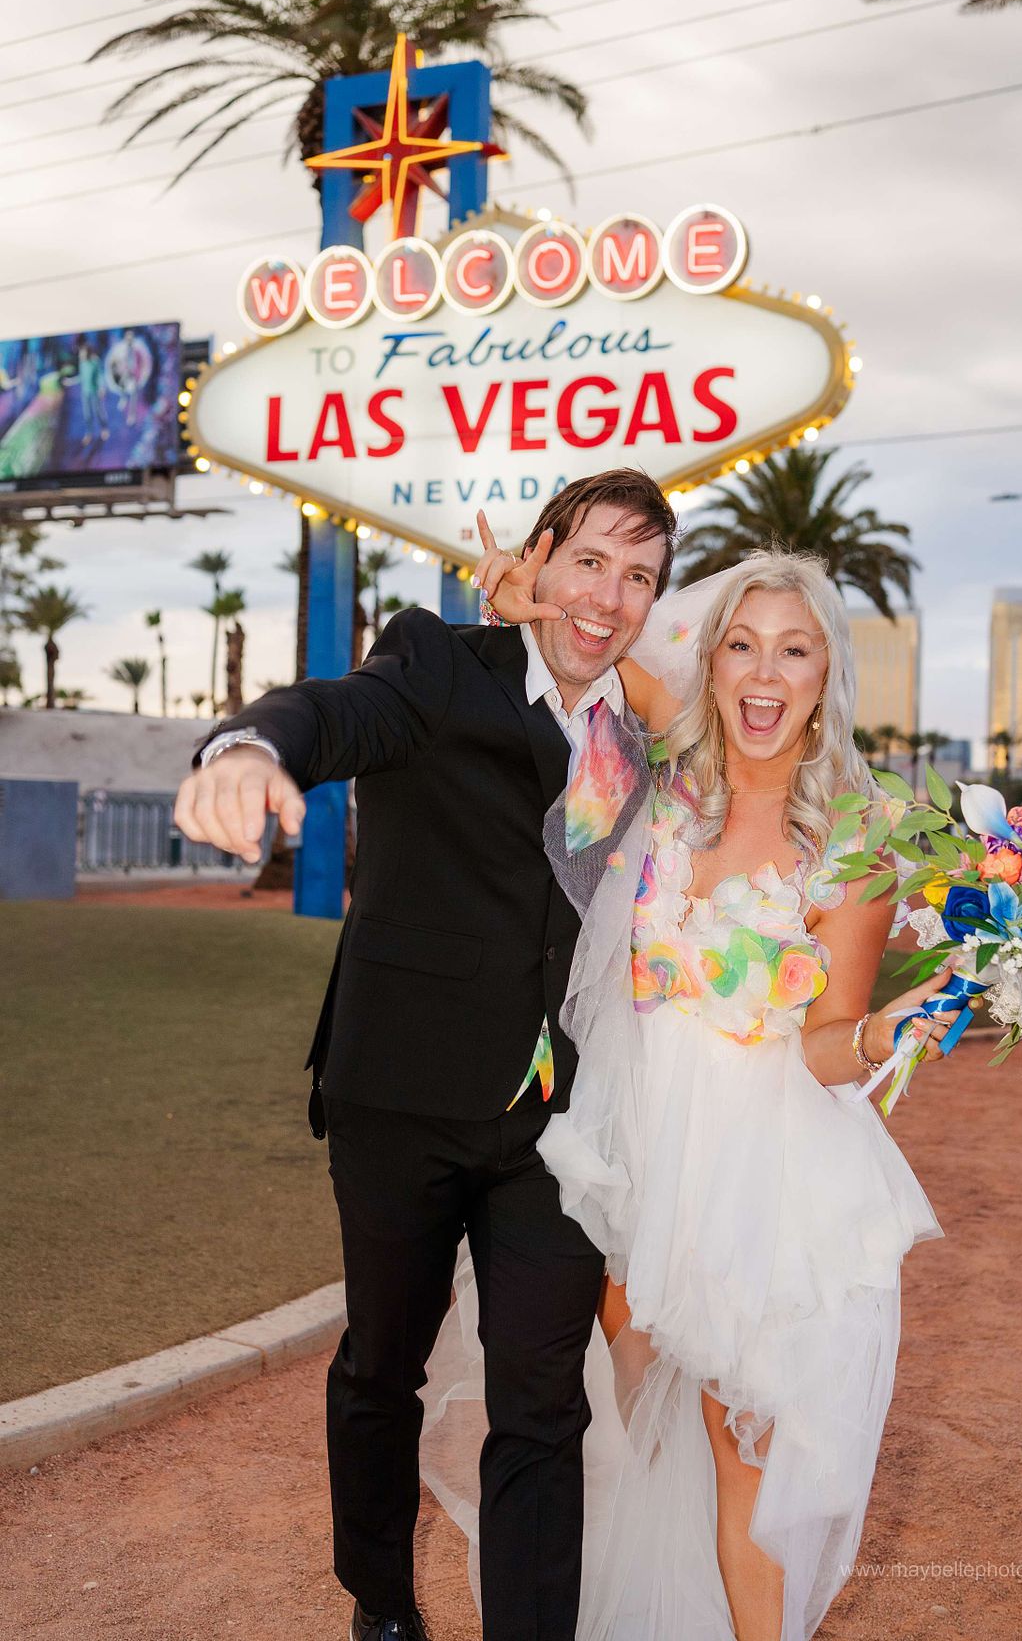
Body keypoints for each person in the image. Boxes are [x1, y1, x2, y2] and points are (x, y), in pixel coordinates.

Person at [172, 468, 678, 1641]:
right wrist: (251, 749)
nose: (609, 596)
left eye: (639, 576)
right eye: (591, 561)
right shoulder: (442, 664)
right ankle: (384, 1606)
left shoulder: (639, 733)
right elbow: (335, 711)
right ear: (541, 561)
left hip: (555, 1120)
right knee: (380, 1370)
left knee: (543, 1404)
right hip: (399, 1093)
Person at [432, 541, 951, 1640]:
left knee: (738, 1444)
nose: (765, 676)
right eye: (744, 648)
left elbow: (823, 1047)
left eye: (795, 653)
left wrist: (882, 1035)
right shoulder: (672, 761)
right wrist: (526, 598)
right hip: (627, 1144)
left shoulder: (855, 843)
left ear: (826, 675)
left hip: (749, 1170)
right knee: (602, 1416)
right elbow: (591, 645)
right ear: (713, 663)